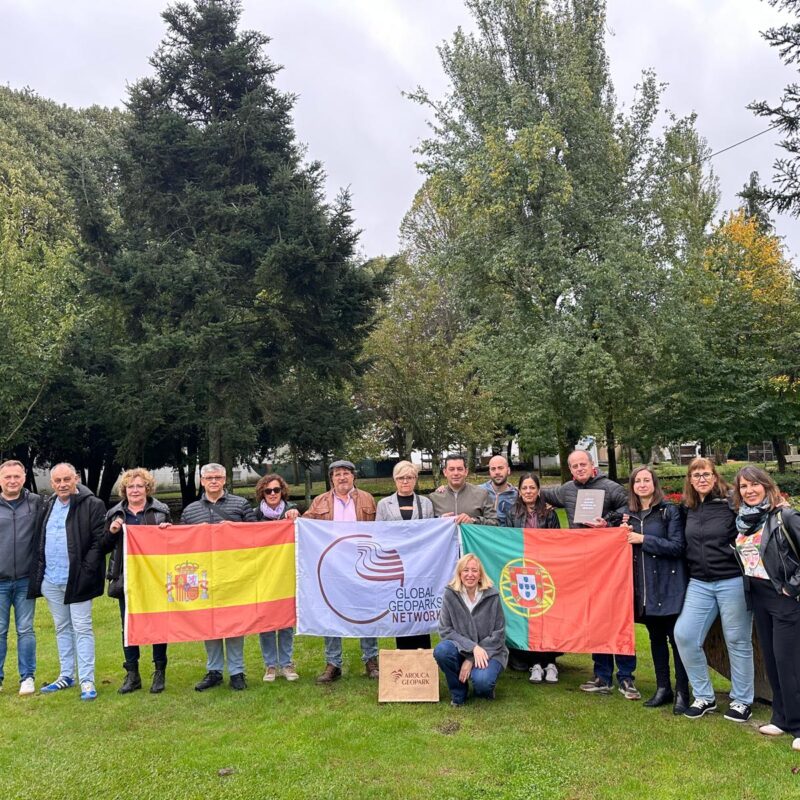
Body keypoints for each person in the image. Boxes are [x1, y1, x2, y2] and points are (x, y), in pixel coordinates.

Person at [539, 450, 633, 697]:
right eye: (574, 465)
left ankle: (626, 676)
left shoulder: (610, 488)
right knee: (595, 618)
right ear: (570, 469)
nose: (579, 468)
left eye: (583, 464)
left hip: (610, 563)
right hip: (583, 565)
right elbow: (534, 491)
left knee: (617, 615)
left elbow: (628, 508)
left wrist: (608, 521)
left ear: (593, 465)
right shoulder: (566, 490)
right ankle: (602, 675)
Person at [674, 457, 754, 722]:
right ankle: (704, 696)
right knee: (684, 635)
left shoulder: (731, 503)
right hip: (700, 583)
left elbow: (755, 518)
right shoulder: (689, 507)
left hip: (731, 580)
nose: (701, 479)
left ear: (715, 475)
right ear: (689, 480)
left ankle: (742, 701)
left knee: (737, 640)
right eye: (695, 475)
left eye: (706, 474)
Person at [731, 466, 800, 750]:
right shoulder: (744, 521)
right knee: (771, 660)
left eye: (754, 484)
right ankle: (782, 718)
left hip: (784, 597)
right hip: (758, 596)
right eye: (743, 487)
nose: (749, 490)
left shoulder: (785, 515)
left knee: (790, 663)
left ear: (766, 485)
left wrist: (793, 587)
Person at [614, 466, 689, 713]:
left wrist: (643, 540)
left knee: (675, 640)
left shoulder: (669, 512)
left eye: (647, 480)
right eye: (638, 481)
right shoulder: (628, 515)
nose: (642, 485)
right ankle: (662, 687)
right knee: (655, 638)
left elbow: (677, 546)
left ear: (654, 484)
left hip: (668, 585)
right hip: (643, 588)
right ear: (633, 486)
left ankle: (682, 691)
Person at [29, 463, 106, 701]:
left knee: (82, 629)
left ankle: (87, 680)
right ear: (52, 484)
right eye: (58, 481)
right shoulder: (48, 504)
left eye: (67, 479)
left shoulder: (92, 504)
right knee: (62, 628)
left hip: (79, 580)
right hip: (52, 579)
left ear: (76, 479)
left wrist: (86, 570)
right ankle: (66, 675)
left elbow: (99, 541)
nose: (62, 484)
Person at [181, 463, 257, 691]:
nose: (213, 481)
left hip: (234, 574)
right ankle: (214, 671)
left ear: (224, 480)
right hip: (203, 575)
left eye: (218, 477)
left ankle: (237, 672)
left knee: (234, 622)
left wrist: (234, 528)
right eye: (209, 478)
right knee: (209, 622)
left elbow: (256, 536)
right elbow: (181, 544)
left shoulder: (240, 504)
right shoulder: (190, 510)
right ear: (202, 481)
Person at [304, 459, 379, 682]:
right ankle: (333, 663)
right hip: (332, 566)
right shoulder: (320, 501)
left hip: (362, 563)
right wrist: (292, 515)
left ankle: (371, 660)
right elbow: (305, 525)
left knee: (366, 611)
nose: (342, 477)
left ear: (353, 476)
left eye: (346, 473)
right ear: (332, 478)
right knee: (331, 612)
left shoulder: (367, 499)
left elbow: (381, 530)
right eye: (337, 474)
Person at [102, 468, 172, 694]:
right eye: (130, 486)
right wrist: (112, 532)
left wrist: (166, 531)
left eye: (139, 486)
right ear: (125, 489)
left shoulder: (161, 511)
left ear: (147, 488)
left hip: (154, 576)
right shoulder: (115, 513)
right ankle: (132, 674)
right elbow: (102, 547)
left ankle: (159, 671)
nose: (134, 490)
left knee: (158, 622)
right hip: (126, 578)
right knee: (128, 625)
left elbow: (171, 545)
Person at [502, 472, 561, 683]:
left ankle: (551, 662)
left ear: (538, 490)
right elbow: (507, 541)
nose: (528, 491)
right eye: (524, 488)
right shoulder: (512, 512)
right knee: (529, 616)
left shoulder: (549, 514)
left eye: (532, 488)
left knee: (548, 616)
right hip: (523, 573)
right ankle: (535, 663)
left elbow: (558, 542)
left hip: (545, 571)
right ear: (519, 491)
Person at [434, 553, 508, 706]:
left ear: (480, 574)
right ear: (459, 574)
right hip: (461, 649)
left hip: (490, 650)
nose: (470, 574)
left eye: (474, 570)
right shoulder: (450, 594)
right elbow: (445, 630)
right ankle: (459, 693)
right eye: (465, 570)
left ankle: (485, 686)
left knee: (482, 684)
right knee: (442, 651)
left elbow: (498, 633)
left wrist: (471, 659)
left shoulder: (492, 595)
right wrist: (472, 648)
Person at [376, 460, 435, 649]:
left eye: (409, 477)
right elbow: (380, 534)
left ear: (415, 479)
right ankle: (404, 652)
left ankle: (424, 653)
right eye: (401, 478)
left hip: (420, 565)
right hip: (397, 565)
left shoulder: (425, 503)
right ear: (395, 480)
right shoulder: (384, 504)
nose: (405, 481)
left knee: (419, 607)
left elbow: (431, 532)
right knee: (402, 609)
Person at [0, 460, 43, 696]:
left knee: (25, 629)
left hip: (26, 578)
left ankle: (27, 677)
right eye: (7, 477)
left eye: (16, 476)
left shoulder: (36, 503)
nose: (12, 481)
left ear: (24, 478)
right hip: (0, 581)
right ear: (0, 480)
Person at [254, 473, 300, 683]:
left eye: (276, 490)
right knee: (265, 620)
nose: (273, 494)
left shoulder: (293, 513)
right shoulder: (253, 515)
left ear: (283, 491)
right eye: (268, 491)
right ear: (262, 493)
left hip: (286, 571)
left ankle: (287, 663)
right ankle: (270, 665)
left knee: (285, 619)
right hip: (261, 574)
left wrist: (297, 517)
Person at [429, 454, 497, 525]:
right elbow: (427, 526)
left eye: (460, 469)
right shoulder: (434, 498)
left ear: (466, 471)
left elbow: (495, 523)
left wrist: (473, 521)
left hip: (470, 536)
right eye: (451, 469)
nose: (456, 473)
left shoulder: (482, 494)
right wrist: (439, 520)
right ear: (445, 472)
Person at [481, 455, 518, 526]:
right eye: (493, 469)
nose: (497, 472)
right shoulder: (479, 491)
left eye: (500, 468)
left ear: (508, 470)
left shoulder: (517, 495)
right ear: (489, 472)